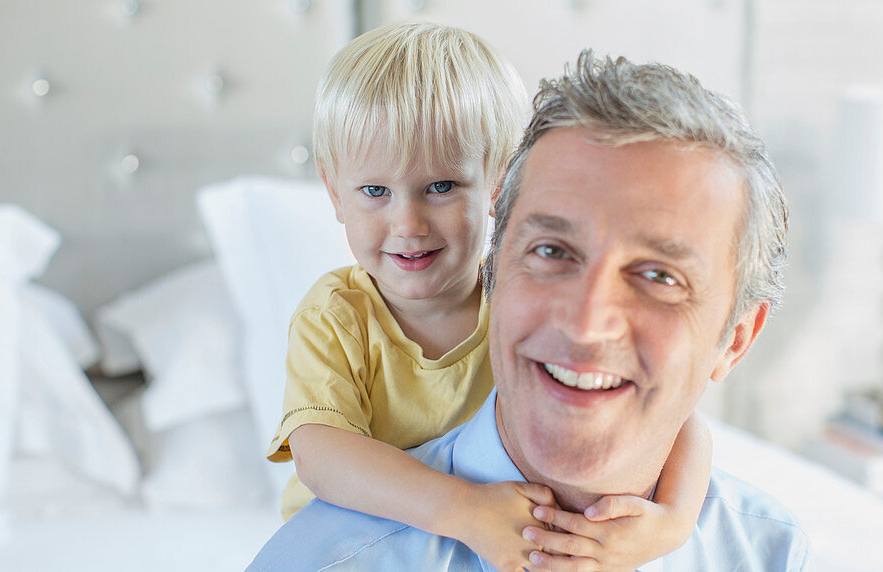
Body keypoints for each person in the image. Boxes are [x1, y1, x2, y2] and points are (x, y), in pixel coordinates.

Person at [250, 48, 808, 571]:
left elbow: (685, 422)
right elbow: (320, 454)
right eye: (550, 251)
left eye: (660, 276)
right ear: (499, 265)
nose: (586, 324)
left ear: (734, 341)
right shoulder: (337, 320)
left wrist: (674, 525)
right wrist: (461, 508)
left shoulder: (772, 550)